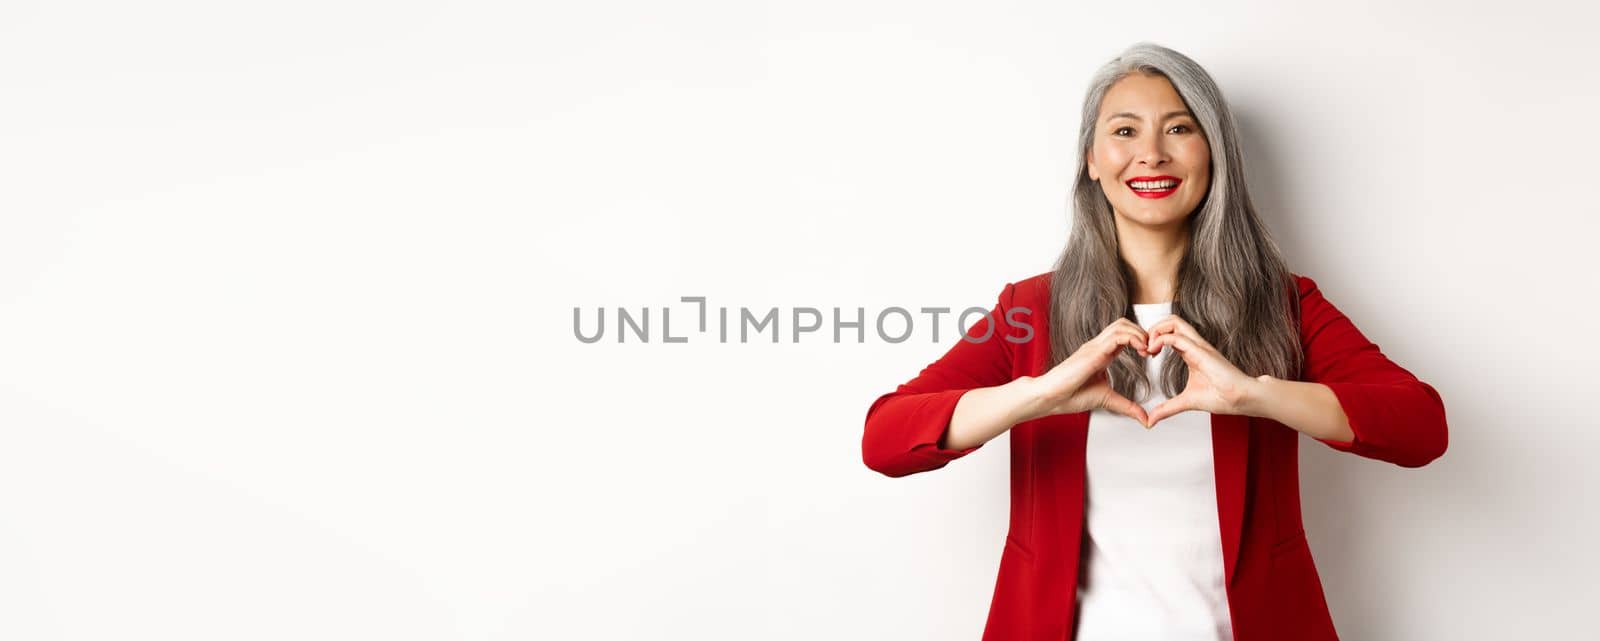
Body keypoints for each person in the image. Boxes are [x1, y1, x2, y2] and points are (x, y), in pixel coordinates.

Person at [860, 42, 1448, 641]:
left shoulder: (1284, 303)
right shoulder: (1031, 310)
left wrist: (1258, 395)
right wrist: (1036, 394)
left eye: (1178, 128)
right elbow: (885, 439)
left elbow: (1421, 427)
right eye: (1124, 130)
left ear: (1214, 154)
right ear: (1091, 158)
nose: (1151, 154)